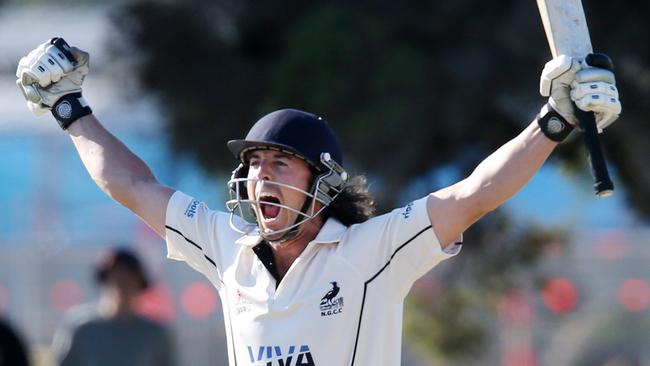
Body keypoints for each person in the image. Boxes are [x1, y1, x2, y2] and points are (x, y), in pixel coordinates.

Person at [17, 38, 620, 365]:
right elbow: (135, 188)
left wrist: (553, 122)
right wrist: (71, 111)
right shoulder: (229, 248)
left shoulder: (370, 252)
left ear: (321, 183)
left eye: (280, 163)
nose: (260, 178)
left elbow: (471, 195)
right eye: (253, 165)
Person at [51, 247, 176, 366]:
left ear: (139, 285)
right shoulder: (81, 328)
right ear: (105, 281)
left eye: (128, 279)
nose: (121, 285)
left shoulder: (154, 334)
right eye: (116, 278)